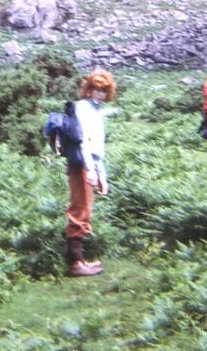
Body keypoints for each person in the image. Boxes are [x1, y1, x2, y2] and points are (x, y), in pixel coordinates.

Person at [65, 69, 118, 277]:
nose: (100, 93)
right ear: (88, 89)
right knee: (80, 210)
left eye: (104, 90)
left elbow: (99, 149)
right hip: (81, 164)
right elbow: (84, 141)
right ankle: (75, 263)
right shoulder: (84, 108)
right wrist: (90, 170)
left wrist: (101, 174)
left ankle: (79, 259)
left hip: (89, 164)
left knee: (85, 209)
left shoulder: (96, 109)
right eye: (96, 89)